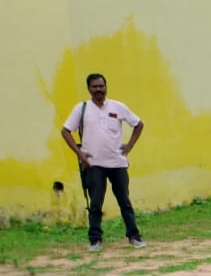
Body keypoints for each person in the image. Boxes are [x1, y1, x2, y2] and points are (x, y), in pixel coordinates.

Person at [60, 73, 146, 251]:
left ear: (106, 87)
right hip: (94, 165)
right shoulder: (82, 108)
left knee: (125, 202)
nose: (98, 90)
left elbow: (138, 124)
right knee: (95, 204)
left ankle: (134, 236)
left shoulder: (118, 106)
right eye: (94, 87)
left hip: (117, 163)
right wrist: (80, 154)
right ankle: (95, 239)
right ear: (89, 89)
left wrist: (129, 146)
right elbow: (66, 131)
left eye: (101, 86)